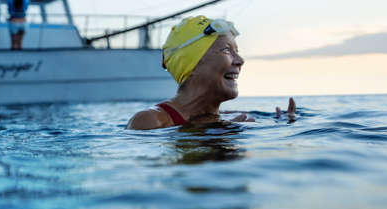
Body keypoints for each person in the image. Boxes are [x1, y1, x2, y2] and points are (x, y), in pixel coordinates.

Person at [127, 15, 296, 130]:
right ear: (191, 64)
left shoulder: (231, 116)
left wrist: (283, 124)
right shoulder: (150, 121)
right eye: (226, 50)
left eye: (237, 51)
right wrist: (217, 134)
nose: (240, 60)